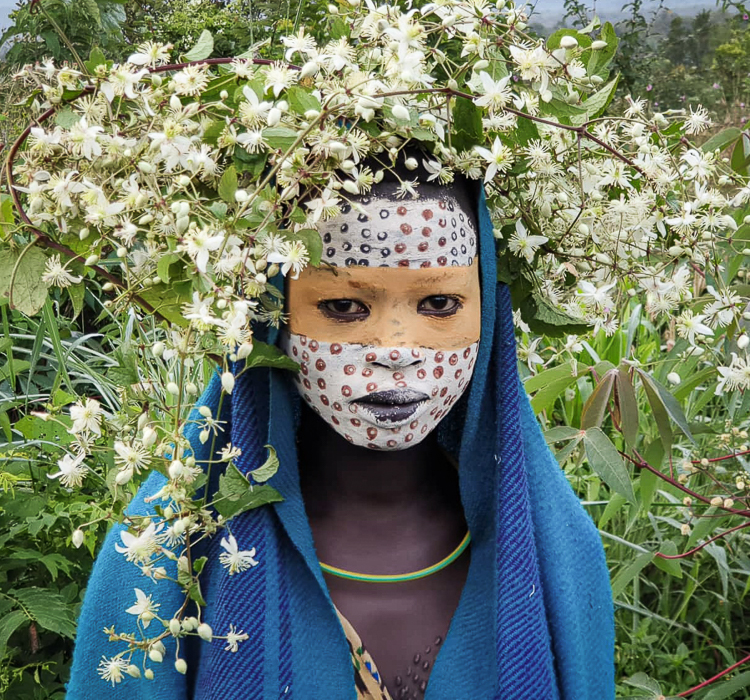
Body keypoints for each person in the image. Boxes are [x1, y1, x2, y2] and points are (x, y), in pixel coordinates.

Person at [67, 153, 615, 699]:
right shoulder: (160, 560)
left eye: (439, 302)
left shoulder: (561, 559)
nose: (396, 350)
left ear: (487, 309)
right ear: (272, 316)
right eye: (345, 307)